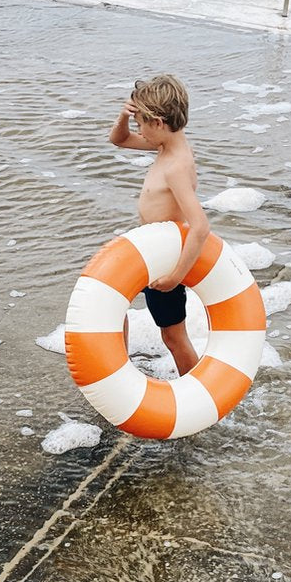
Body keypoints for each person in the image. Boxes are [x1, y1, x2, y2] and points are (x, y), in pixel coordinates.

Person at [108, 74, 210, 376]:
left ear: (158, 123)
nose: (138, 129)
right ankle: (120, 375)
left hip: (163, 261)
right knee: (111, 307)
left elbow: (201, 227)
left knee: (173, 336)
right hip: (145, 250)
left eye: (140, 123)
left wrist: (175, 277)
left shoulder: (176, 165)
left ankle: (197, 394)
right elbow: (119, 139)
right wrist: (124, 117)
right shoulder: (166, 147)